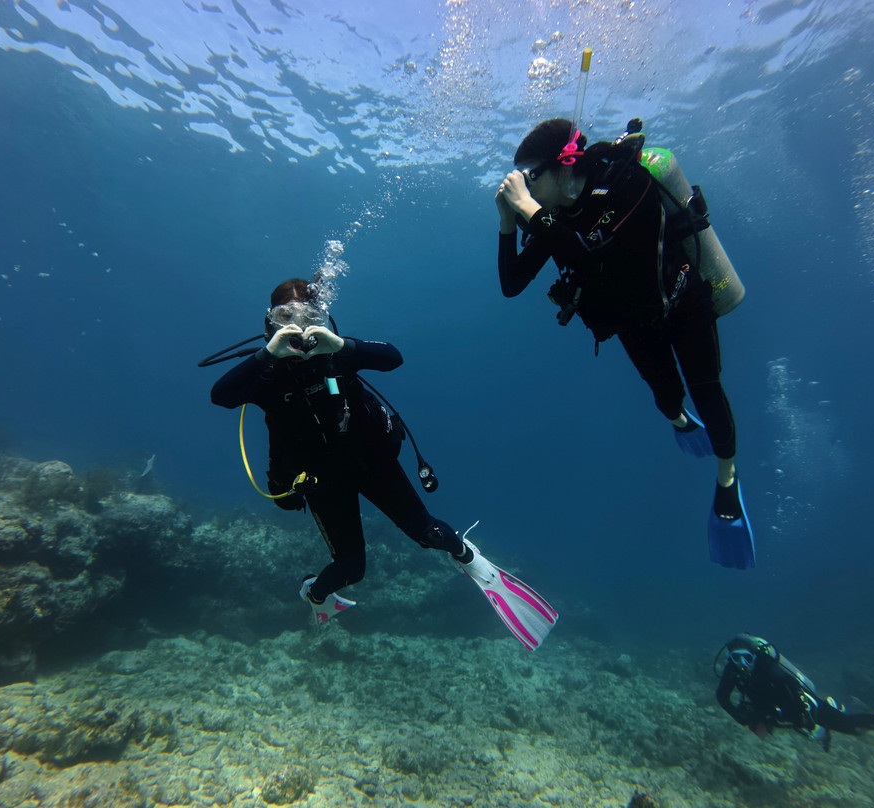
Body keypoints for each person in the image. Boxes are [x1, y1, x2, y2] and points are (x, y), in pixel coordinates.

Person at [210, 279, 557, 649]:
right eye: (286, 318)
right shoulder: (266, 374)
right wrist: (268, 354)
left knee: (428, 533)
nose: (298, 327)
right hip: (321, 480)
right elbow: (220, 395)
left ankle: (471, 559)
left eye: (309, 316)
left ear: (322, 318)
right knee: (351, 568)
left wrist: (343, 345)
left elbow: (393, 357)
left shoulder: (335, 352)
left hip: (370, 461)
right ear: (271, 324)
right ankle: (315, 594)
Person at [495, 117, 753, 568]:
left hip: (682, 304)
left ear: (562, 167)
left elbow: (583, 248)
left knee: (706, 388)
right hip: (633, 323)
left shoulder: (624, 181)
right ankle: (679, 419)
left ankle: (727, 478)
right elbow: (512, 284)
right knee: (667, 398)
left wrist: (530, 212)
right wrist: (507, 224)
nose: (525, 187)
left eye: (531, 176)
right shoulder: (551, 216)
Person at [715, 634, 874, 751]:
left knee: (850, 726)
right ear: (730, 659)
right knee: (759, 730)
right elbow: (721, 696)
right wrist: (741, 717)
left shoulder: (768, 668)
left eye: (747, 658)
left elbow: (793, 690)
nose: (742, 663)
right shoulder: (732, 670)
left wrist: (811, 723)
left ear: (754, 656)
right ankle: (834, 709)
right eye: (736, 658)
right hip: (770, 710)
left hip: (802, 705)